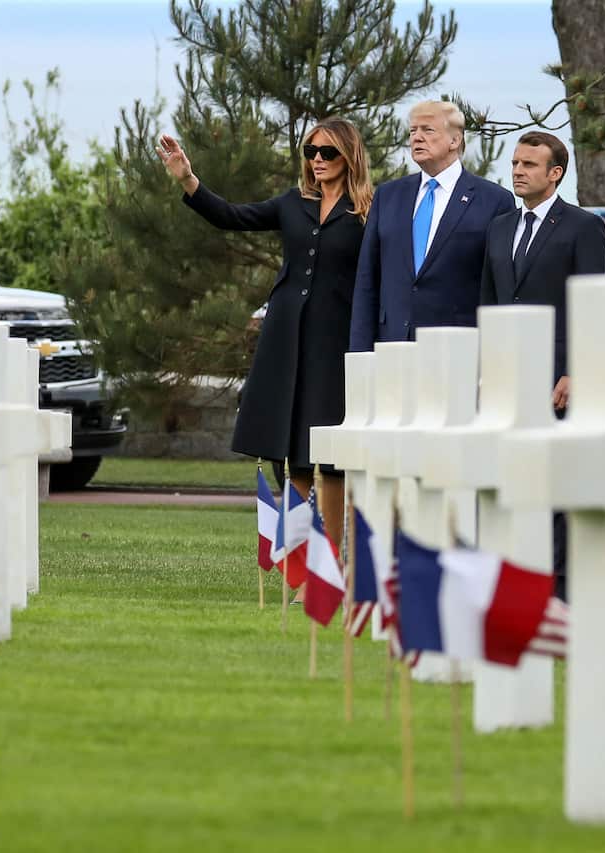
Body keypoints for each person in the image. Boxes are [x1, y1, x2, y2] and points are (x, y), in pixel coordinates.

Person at [157, 118, 373, 548]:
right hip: (285, 339)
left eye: (327, 152)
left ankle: (331, 562)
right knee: (291, 452)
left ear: (349, 155)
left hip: (336, 344)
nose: (317, 160)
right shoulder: (293, 202)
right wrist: (189, 180)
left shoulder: (369, 210)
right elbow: (232, 217)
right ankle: (300, 567)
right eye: (311, 152)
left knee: (329, 456)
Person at [480, 130, 605, 601]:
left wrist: (576, 370)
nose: (517, 171)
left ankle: (559, 590)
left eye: (529, 165)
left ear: (555, 173)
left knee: (556, 484)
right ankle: (512, 576)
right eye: (515, 163)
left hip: (559, 378)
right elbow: (489, 303)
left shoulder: (582, 226)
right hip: (505, 377)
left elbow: (593, 306)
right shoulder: (497, 228)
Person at [349, 100, 514, 351]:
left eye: (428, 130)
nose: (417, 138)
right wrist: (360, 353)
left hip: (457, 350)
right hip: (392, 346)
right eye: (412, 131)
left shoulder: (494, 200)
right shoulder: (388, 196)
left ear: (455, 141)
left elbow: (499, 286)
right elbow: (367, 280)